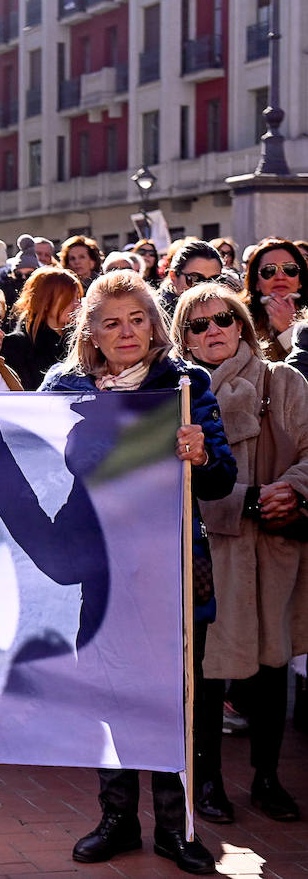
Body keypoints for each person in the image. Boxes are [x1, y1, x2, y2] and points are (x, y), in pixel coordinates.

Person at [41, 270, 235, 875]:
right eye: (110, 322)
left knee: (174, 699)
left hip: (170, 570)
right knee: (109, 692)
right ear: (90, 333)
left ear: (154, 323)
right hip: (99, 568)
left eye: (137, 319)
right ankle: (118, 820)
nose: (126, 332)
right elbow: (38, 462)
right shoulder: (61, 390)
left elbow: (220, 479)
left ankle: (176, 830)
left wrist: (200, 454)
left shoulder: (185, 383)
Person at [173, 283, 307, 825]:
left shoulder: (285, 381)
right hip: (207, 555)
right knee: (204, 673)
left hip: (274, 549)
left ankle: (267, 777)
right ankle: (207, 782)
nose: (213, 332)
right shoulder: (177, 394)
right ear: (182, 337)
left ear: (242, 323)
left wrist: (294, 488)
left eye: (223, 319)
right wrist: (246, 499)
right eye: (197, 325)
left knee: (272, 668)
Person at [0, 267, 84, 390]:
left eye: (78, 298)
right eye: (70, 298)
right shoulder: (16, 345)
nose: (78, 305)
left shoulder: (80, 342)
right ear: (45, 301)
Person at [241, 237, 308, 362]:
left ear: (300, 281)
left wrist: (290, 331)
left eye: (290, 269)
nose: (280, 277)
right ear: (256, 282)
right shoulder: (239, 321)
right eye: (269, 271)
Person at [158, 240, 225, 316]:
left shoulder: (227, 311)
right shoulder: (154, 317)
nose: (205, 288)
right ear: (173, 276)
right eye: (195, 279)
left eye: (214, 280)